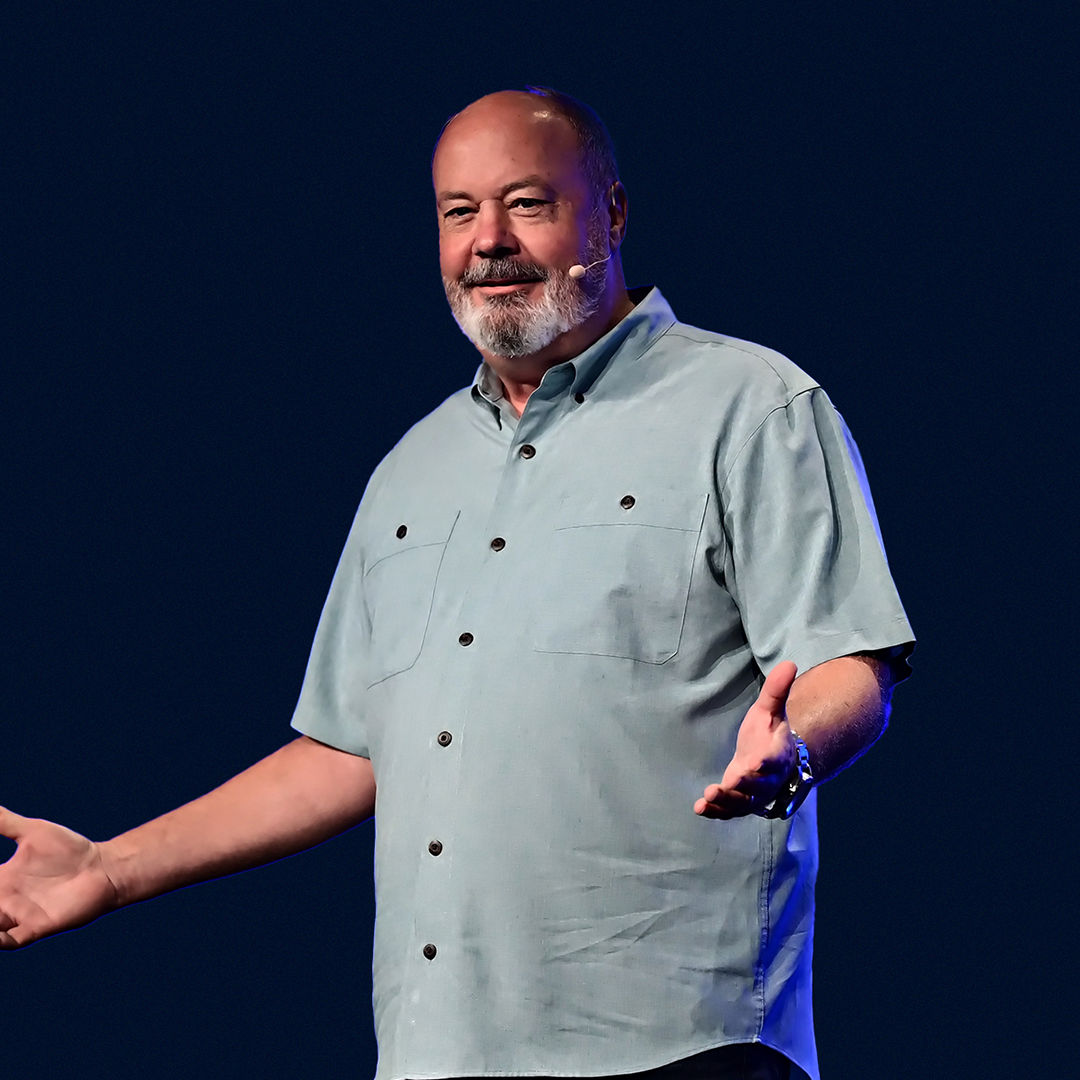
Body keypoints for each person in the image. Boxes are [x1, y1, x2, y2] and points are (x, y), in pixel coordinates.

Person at [0, 88, 914, 1080]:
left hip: (678, 1046)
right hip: (440, 1055)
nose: (489, 241)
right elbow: (346, 752)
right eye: (458, 211)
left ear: (609, 212)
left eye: (527, 204)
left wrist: (797, 751)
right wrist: (107, 867)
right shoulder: (412, 469)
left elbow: (846, 663)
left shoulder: (751, 406)